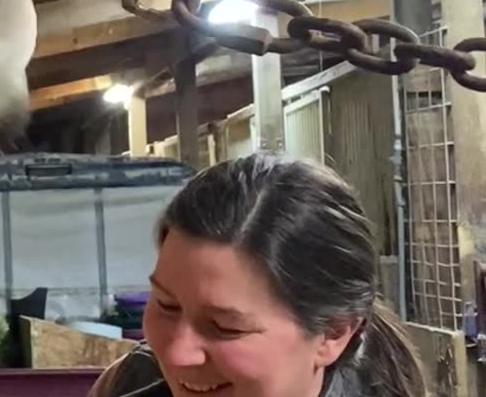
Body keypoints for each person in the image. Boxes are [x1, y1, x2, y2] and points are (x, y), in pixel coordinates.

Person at [88, 152, 426, 397]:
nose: (177, 354)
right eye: (166, 305)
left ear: (333, 334)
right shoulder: (129, 381)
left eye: (225, 327)